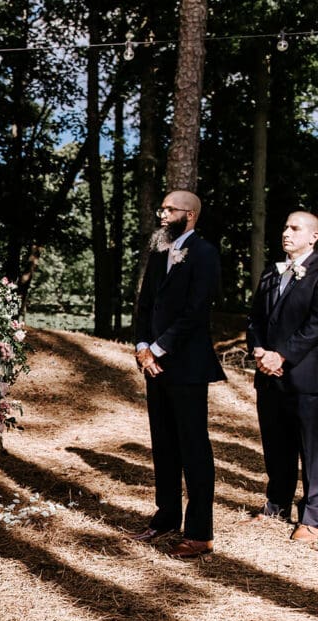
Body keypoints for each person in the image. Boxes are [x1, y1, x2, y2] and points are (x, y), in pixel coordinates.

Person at [129, 190, 225, 559]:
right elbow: (145, 306)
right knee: (164, 444)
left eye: (170, 209)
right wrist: (141, 346)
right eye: (162, 207)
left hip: (186, 366)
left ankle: (200, 533)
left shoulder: (204, 253)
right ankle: (166, 516)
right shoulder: (157, 253)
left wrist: (158, 348)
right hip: (152, 366)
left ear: (191, 214)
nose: (163, 214)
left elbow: (196, 312)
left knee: (193, 447)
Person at [245, 211, 318, 541]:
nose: (286, 232)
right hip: (269, 375)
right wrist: (259, 351)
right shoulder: (270, 274)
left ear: (313, 237)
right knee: (276, 443)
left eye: (295, 228)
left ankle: (313, 518)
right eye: (285, 226)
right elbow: (255, 320)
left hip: (306, 377)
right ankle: (276, 504)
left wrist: (283, 354)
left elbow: (315, 324)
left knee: (312, 448)